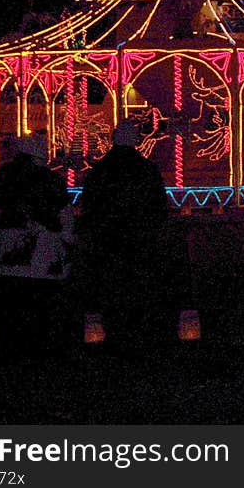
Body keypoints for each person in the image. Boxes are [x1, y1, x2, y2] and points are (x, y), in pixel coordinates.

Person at [75, 118, 182, 351]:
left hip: (108, 241)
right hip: (140, 239)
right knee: (138, 289)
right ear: (134, 141)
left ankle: (115, 335)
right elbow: (158, 206)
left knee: (112, 290)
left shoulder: (99, 171)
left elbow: (89, 206)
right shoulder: (146, 169)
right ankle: (138, 335)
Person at [0, 133, 75, 351]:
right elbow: (65, 218)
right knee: (41, 308)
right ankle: (38, 349)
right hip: (45, 255)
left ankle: (10, 350)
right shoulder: (52, 181)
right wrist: (67, 243)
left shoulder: (4, 179)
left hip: (8, 253)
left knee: (9, 306)